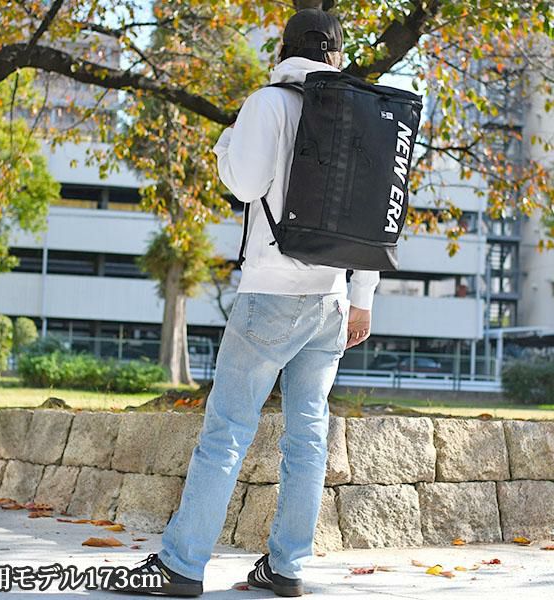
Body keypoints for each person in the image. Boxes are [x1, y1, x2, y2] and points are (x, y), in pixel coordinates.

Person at [110, 8, 379, 598]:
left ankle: (182, 566)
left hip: (271, 295)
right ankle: (287, 567)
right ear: (336, 54)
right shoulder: (361, 114)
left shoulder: (268, 103)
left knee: (228, 430)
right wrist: (362, 298)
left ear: (283, 49)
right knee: (308, 437)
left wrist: (225, 142)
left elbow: (245, 183)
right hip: (332, 301)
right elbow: (370, 215)